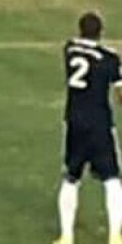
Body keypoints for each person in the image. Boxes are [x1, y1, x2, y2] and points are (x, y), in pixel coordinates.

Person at [54, 12, 122, 244]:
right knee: (111, 179)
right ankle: (115, 236)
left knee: (71, 177)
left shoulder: (70, 49)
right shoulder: (109, 59)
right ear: (100, 32)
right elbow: (120, 93)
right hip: (100, 124)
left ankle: (66, 236)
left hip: (74, 121)